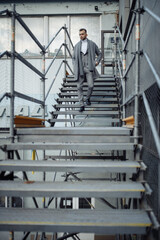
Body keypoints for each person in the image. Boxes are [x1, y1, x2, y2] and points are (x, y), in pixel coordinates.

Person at [72, 28, 102, 112]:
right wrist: (75, 65)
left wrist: (97, 61)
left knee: (91, 85)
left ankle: (87, 98)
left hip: (89, 68)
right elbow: (73, 58)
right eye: (80, 34)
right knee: (79, 87)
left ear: (86, 34)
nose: (81, 36)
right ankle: (81, 104)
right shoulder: (77, 45)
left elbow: (99, 54)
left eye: (82, 34)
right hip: (79, 68)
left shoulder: (92, 44)